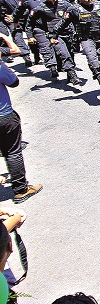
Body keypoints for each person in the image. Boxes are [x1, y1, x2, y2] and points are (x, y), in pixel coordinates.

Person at [0, 35, 42, 204]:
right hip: (3, 115)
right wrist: (5, 37)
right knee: (13, 151)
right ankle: (21, 190)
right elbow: (14, 81)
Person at [27, 0, 80, 84]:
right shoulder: (39, 8)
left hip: (66, 32)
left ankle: (69, 76)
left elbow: (75, 15)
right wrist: (30, 36)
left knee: (70, 53)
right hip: (54, 35)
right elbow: (30, 23)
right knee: (63, 52)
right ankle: (72, 74)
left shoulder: (64, 4)